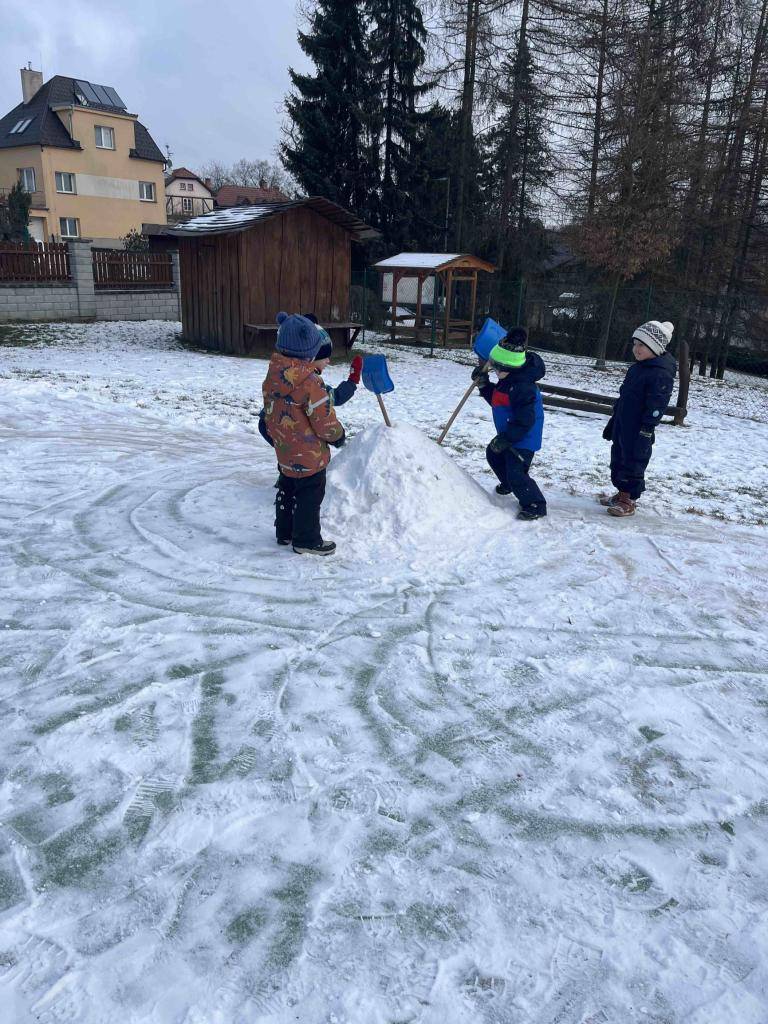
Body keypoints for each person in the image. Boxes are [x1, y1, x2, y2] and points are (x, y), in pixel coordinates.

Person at [261, 312, 346, 555]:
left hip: (284, 450)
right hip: (309, 455)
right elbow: (323, 420)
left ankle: (285, 532)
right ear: (308, 353)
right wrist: (337, 436)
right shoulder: (311, 383)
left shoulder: (273, 377)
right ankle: (306, 539)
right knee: (310, 495)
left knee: (287, 488)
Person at [601, 320, 677, 518]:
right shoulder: (637, 368)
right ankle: (621, 493)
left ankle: (629, 499)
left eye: (641, 345)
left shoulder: (660, 374)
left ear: (655, 347)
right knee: (618, 457)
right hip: (623, 422)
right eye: (634, 344)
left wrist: (647, 428)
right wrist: (615, 417)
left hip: (639, 427)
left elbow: (657, 404)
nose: (636, 349)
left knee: (633, 461)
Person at [473, 326, 547, 521]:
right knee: (493, 453)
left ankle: (535, 504)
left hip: (523, 437)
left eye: (497, 368)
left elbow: (525, 420)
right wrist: (484, 385)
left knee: (517, 471)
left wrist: (506, 439)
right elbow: (499, 402)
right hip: (510, 431)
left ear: (510, 367)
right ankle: (508, 483)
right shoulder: (508, 380)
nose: (494, 370)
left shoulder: (523, 387)